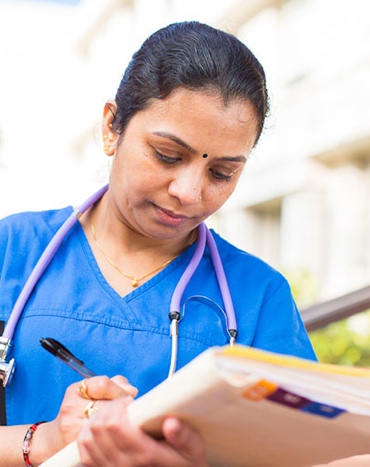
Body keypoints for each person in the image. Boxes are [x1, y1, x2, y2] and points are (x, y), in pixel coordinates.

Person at [0, 21, 316, 466]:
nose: (190, 192)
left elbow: (308, 452)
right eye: (168, 155)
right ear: (112, 128)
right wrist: (44, 442)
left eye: (221, 173)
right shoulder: (12, 251)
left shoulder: (259, 297)